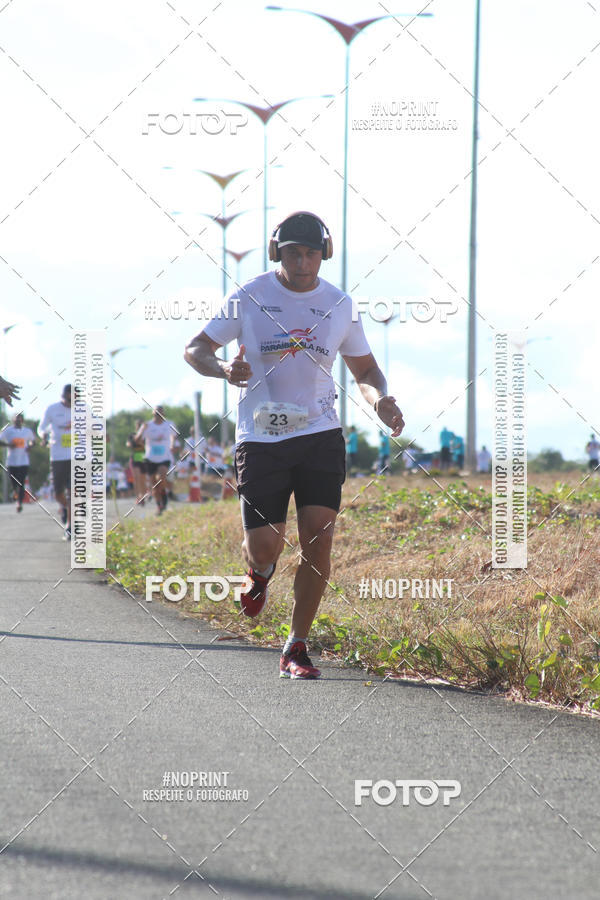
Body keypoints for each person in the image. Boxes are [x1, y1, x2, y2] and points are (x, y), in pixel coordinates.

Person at [184, 210, 404, 680]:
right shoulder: (249, 296)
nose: (302, 262)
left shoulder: (339, 304)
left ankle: (296, 646)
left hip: (320, 435)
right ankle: (260, 573)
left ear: (324, 253)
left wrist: (380, 399)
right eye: (292, 253)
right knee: (266, 546)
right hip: (262, 437)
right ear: (275, 253)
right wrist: (222, 369)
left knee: (318, 543)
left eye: (310, 253)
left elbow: (364, 370)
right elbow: (195, 348)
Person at [38, 384, 72, 539]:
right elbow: (41, 427)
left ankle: (70, 526)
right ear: (63, 394)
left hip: (77, 456)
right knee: (58, 492)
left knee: (73, 492)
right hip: (57, 456)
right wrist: (43, 435)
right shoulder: (52, 409)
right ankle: (65, 508)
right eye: (68, 394)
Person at [135, 406, 175, 515]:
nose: (158, 416)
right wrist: (142, 429)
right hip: (150, 458)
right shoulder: (148, 425)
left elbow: (173, 437)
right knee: (154, 484)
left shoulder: (169, 424)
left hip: (164, 457)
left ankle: (164, 493)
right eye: (156, 414)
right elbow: (137, 440)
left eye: (160, 414)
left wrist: (171, 444)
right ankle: (159, 504)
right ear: (153, 414)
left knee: (161, 477)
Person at [0, 412, 36, 511]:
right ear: (13, 420)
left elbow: (33, 441)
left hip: (24, 461)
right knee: (14, 483)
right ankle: (15, 494)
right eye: (16, 419)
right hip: (11, 462)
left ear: (22, 420)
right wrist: (8, 445)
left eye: (20, 419)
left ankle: (19, 503)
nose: (18, 421)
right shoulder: (8, 431)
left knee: (21, 483)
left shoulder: (27, 431)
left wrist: (30, 446)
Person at [126, 419, 148, 505]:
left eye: (140, 425)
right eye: (137, 425)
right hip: (135, 458)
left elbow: (147, 446)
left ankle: (143, 495)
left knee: (142, 479)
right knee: (136, 477)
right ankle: (138, 497)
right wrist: (130, 443)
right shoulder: (132, 435)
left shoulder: (145, 436)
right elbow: (128, 443)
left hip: (144, 458)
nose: (138, 426)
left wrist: (141, 443)